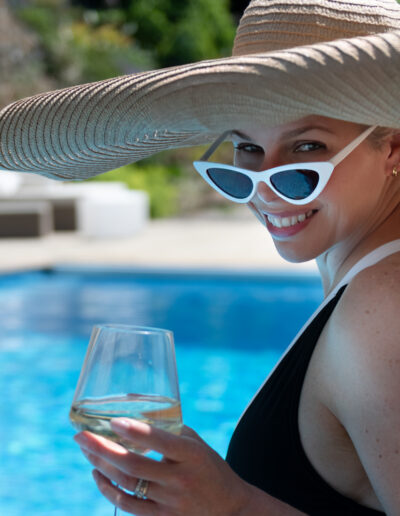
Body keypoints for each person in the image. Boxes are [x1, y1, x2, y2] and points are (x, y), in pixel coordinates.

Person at [1, 0, 400, 514]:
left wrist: (235, 506)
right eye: (245, 150)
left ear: (391, 148)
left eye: (306, 150)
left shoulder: (383, 306)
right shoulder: (363, 282)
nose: (266, 189)